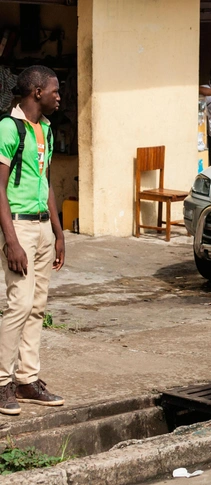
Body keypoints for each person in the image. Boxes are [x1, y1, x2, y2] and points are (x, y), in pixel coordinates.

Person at [0, 66, 65, 415]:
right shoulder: (9, 128)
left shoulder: (46, 130)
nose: (59, 96)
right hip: (19, 228)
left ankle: (27, 380)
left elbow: (47, 182)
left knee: (37, 307)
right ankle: (1, 383)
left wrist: (58, 232)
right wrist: (11, 241)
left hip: (41, 228)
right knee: (19, 305)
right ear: (37, 91)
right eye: (55, 90)